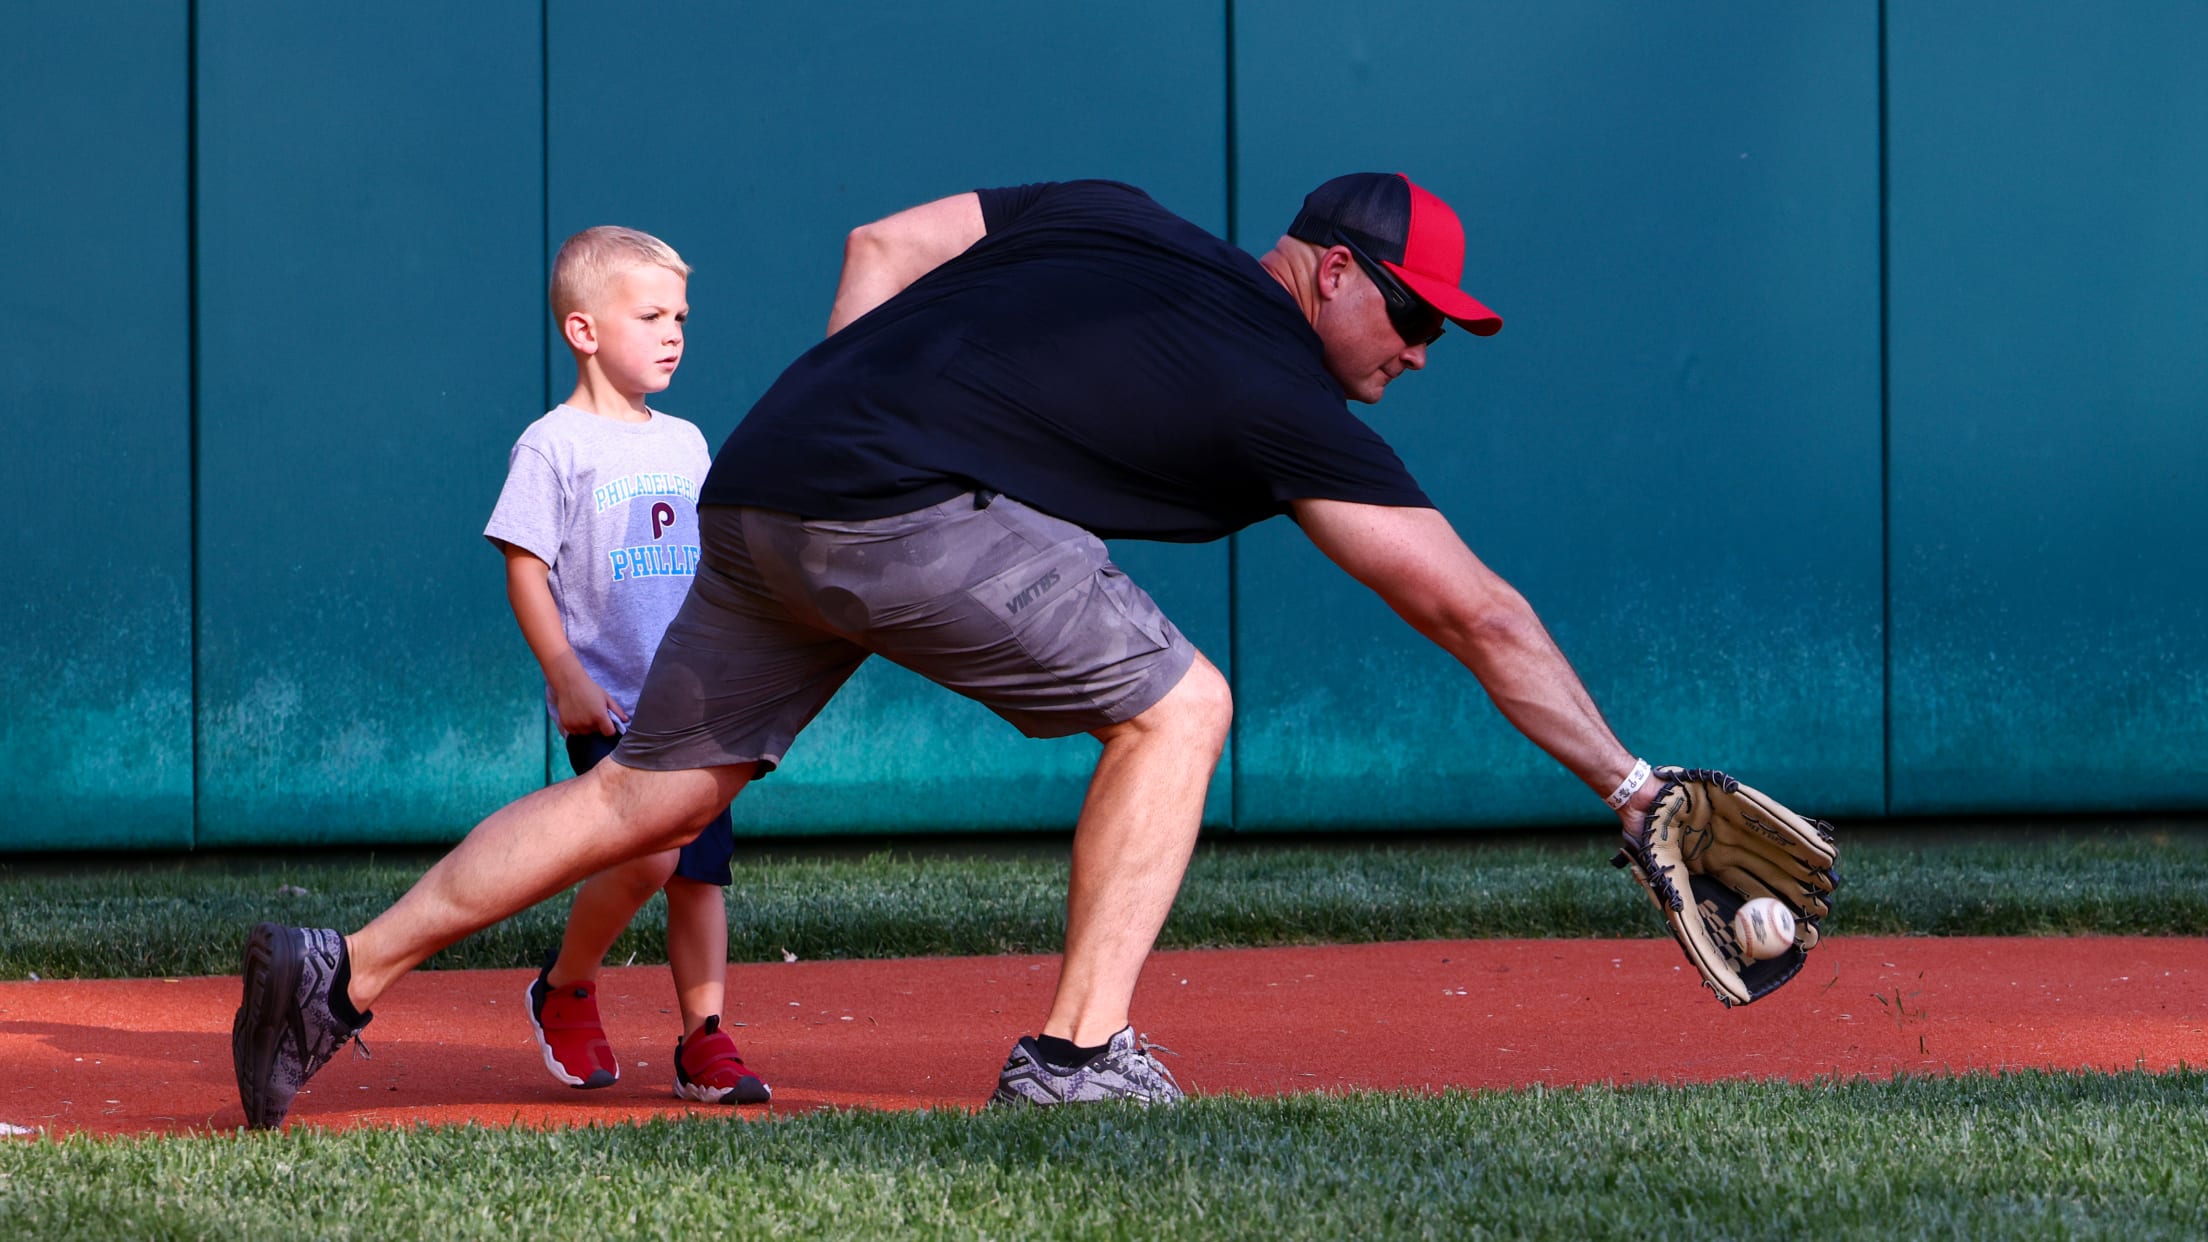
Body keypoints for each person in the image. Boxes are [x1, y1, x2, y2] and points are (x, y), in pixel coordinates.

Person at [232, 172, 1663, 1127]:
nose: (1418, 349)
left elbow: (882, 247)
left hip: (770, 473)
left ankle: (337, 970)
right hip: (883, 502)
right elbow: (1474, 608)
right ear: (1333, 272)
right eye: (1410, 313)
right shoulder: (1278, 385)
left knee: (646, 796)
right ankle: (1077, 1055)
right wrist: (1631, 785)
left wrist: (854, 405)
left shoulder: (1118, 213)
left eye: (1441, 332)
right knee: (1184, 706)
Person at [484, 226, 767, 1105]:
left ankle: (704, 1041)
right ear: (584, 331)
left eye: (680, 315)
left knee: (699, 877)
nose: (674, 331)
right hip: (611, 702)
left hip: (703, 699)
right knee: (649, 857)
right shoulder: (553, 445)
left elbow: (717, 556)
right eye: (650, 315)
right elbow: (525, 566)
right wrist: (565, 672)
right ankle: (566, 984)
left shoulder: (687, 440)